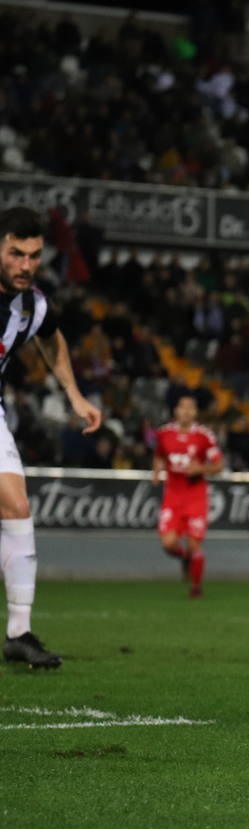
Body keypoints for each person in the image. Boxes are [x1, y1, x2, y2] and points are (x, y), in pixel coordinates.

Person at [0, 207, 103, 669]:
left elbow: (52, 337)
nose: (25, 265)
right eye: (15, 254)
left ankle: (19, 632)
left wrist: (75, 396)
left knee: (17, 507)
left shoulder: (32, 304)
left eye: (34, 256)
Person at [153, 393, 224, 598]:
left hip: (195, 497)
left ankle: (196, 588)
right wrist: (156, 472)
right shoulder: (164, 433)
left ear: (195, 412)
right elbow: (158, 454)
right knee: (168, 544)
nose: (186, 411)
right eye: (182, 407)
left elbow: (219, 465)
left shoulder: (204, 436)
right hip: (173, 496)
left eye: (190, 408)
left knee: (195, 545)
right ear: (176, 410)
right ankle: (185, 559)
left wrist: (202, 468)